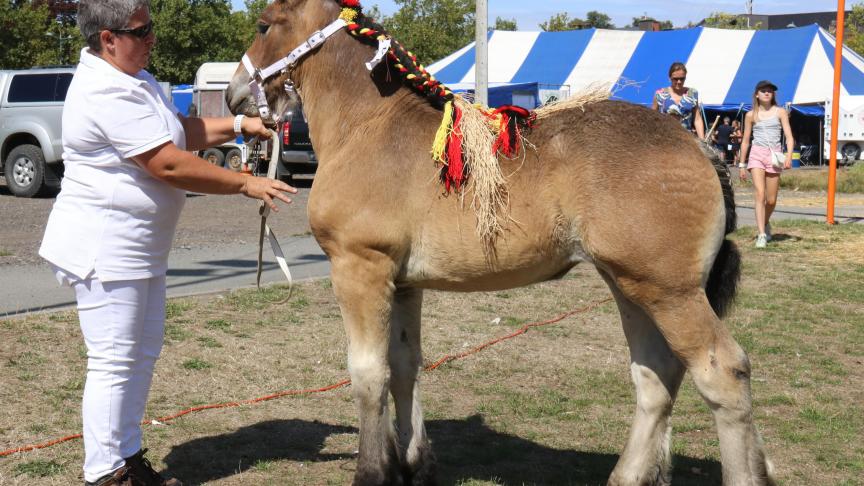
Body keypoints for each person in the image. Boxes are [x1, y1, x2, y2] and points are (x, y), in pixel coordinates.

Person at [37, 0, 296, 484]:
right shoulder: (102, 89)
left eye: (150, 27)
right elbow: (167, 163)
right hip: (105, 249)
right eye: (142, 30)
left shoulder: (135, 79)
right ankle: (105, 472)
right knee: (114, 360)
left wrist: (240, 125)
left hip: (139, 249)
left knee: (141, 352)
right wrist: (245, 182)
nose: (152, 37)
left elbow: (178, 132)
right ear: (108, 39)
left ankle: (127, 457)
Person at [738, 80, 794, 248]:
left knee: (771, 200)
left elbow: (789, 137)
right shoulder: (750, 115)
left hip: (774, 156)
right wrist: (741, 164)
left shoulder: (780, 112)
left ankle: (766, 221)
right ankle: (761, 234)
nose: (767, 93)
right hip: (756, 154)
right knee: (760, 194)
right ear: (757, 94)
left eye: (770, 91)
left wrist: (789, 156)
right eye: (763, 91)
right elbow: (746, 140)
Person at [652, 62, 705, 139]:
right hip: (664, 139)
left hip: (687, 140)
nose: (679, 82)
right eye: (675, 79)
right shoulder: (659, 94)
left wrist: (702, 141)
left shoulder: (692, 93)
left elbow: (697, 119)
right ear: (670, 78)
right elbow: (652, 118)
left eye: (682, 78)